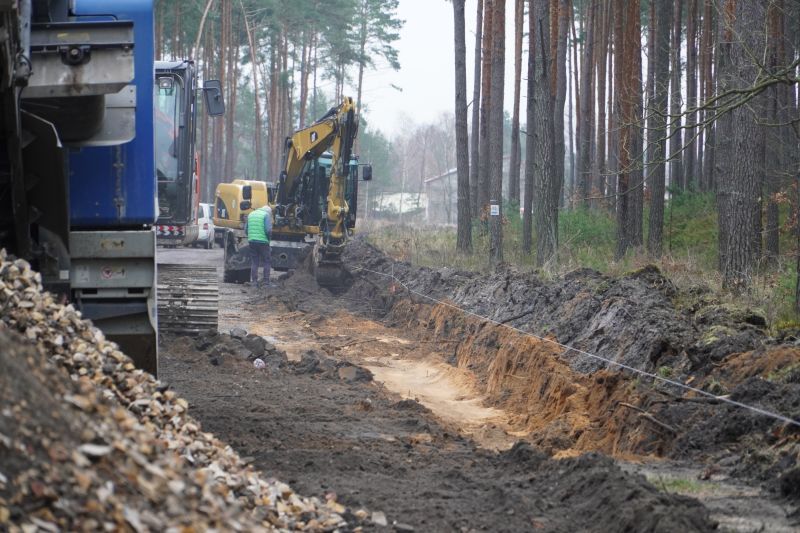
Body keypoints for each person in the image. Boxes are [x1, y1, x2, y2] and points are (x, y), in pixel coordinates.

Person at [244, 204, 272, 287]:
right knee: (267, 261)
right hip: (263, 241)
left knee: (255, 261)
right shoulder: (266, 215)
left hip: (252, 241)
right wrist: (268, 239)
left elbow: (246, 229)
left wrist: (251, 236)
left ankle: (254, 282)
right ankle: (266, 282)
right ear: (268, 212)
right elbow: (268, 230)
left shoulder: (251, 214)